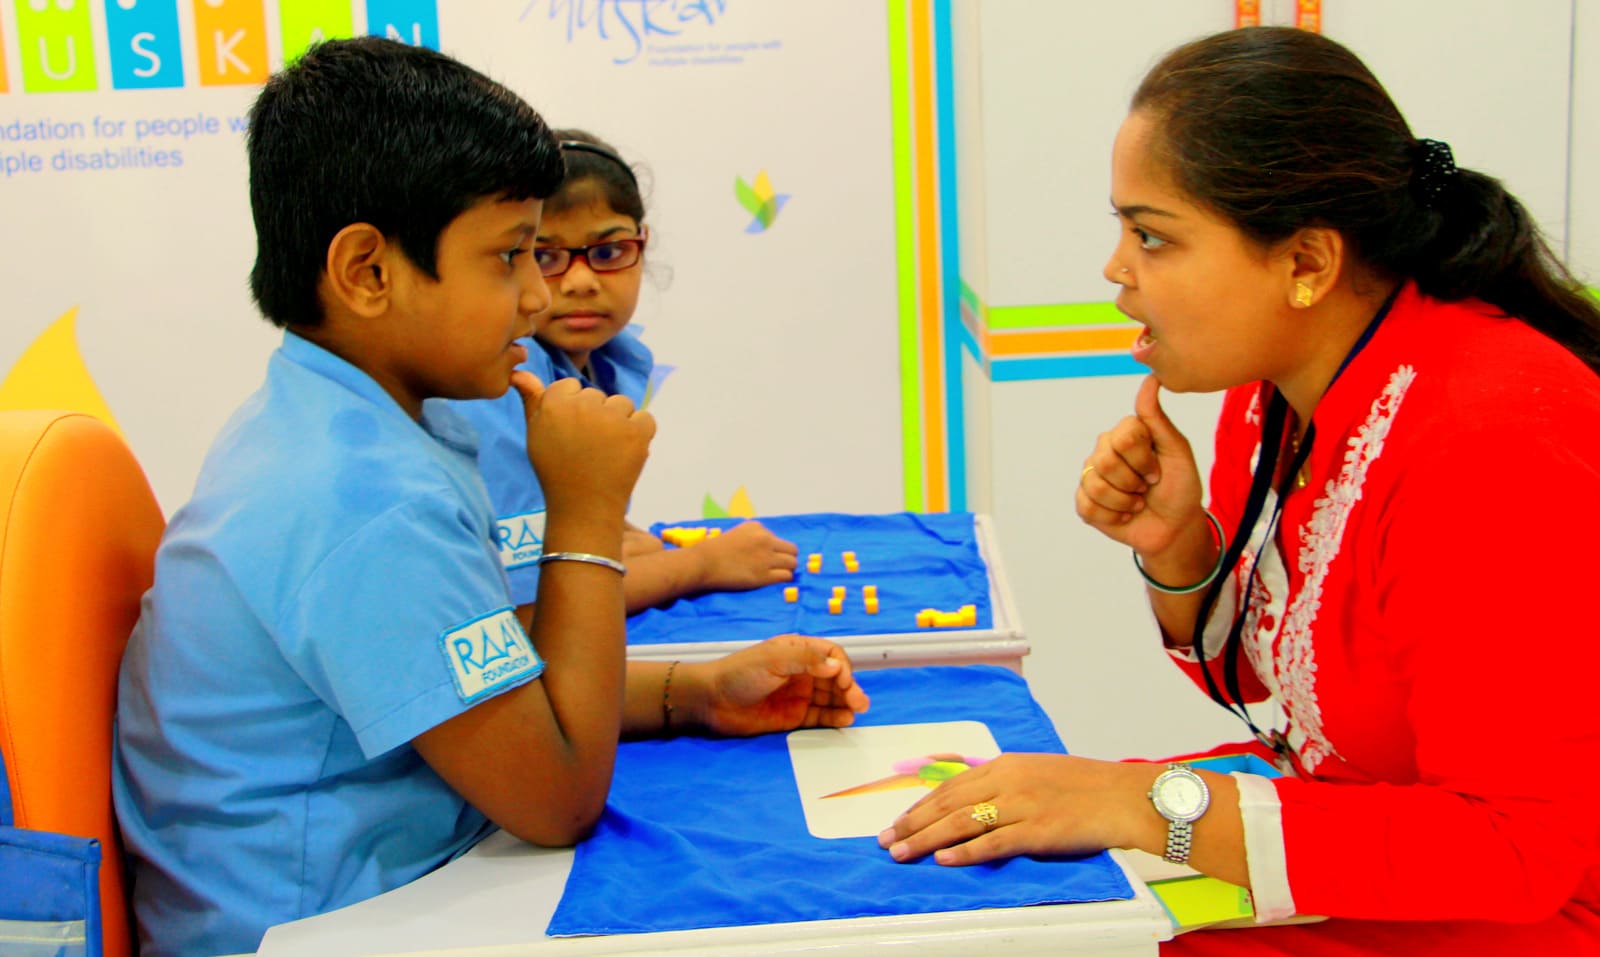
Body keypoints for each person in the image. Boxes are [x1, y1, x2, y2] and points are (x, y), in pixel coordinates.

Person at [111, 37, 868, 957]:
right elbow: (557, 798)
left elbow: (499, 686)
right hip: (320, 925)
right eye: (511, 256)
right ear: (367, 272)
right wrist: (585, 511)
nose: (536, 298)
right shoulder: (361, 501)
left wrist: (697, 692)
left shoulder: (343, 417)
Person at [877, 26, 1600, 955]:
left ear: (1306, 264)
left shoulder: (1493, 442)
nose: (1116, 269)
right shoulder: (1277, 396)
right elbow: (1296, 703)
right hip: (1384, 837)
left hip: (1531, 908)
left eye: (1151, 236)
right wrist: (1181, 548)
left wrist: (1145, 801)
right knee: (992, 887)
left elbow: (1518, 850)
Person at [453, 129, 798, 615]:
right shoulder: (506, 380)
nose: (581, 281)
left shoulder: (609, 358)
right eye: (544, 256)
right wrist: (700, 564)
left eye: (608, 252)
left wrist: (612, 531)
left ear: (642, 245)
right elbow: (528, 612)